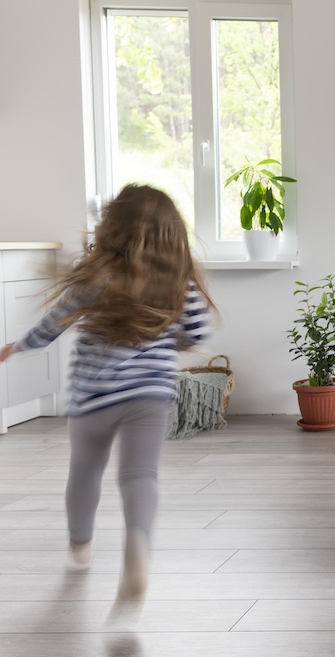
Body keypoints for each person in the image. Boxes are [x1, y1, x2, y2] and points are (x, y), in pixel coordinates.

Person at [0, 185, 215, 607]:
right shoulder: (179, 283)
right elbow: (196, 335)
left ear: (113, 227)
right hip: (149, 395)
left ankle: (81, 544)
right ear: (172, 235)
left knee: (84, 471)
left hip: (92, 397)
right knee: (140, 476)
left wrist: (18, 346)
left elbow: (53, 324)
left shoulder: (96, 277)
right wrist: (170, 338)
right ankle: (138, 544)